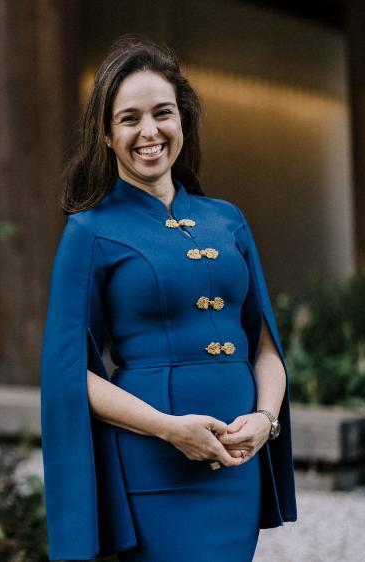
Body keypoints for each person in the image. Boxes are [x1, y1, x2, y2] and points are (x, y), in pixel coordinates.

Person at [39, 36, 297, 561]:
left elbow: (265, 345)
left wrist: (265, 420)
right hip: (154, 467)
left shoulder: (228, 219)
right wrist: (169, 429)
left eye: (163, 113)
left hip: (236, 464)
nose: (149, 131)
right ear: (107, 135)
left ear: (183, 121)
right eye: (129, 118)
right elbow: (69, 374)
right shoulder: (88, 232)